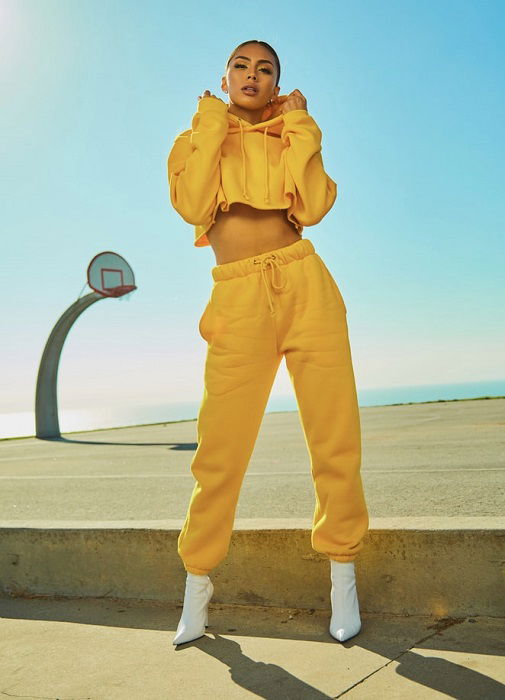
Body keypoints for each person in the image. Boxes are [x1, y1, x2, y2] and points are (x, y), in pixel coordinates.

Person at [167, 39, 369, 645]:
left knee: (336, 437)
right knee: (220, 451)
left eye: (266, 69)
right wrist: (211, 123)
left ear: (279, 82)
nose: (252, 75)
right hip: (237, 298)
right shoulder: (193, 138)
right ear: (223, 76)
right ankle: (197, 587)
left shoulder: (291, 134)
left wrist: (302, 126)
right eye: (241, 66)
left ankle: (342, 574)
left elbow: (313, 204)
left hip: (305, 282)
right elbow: (192, 204)